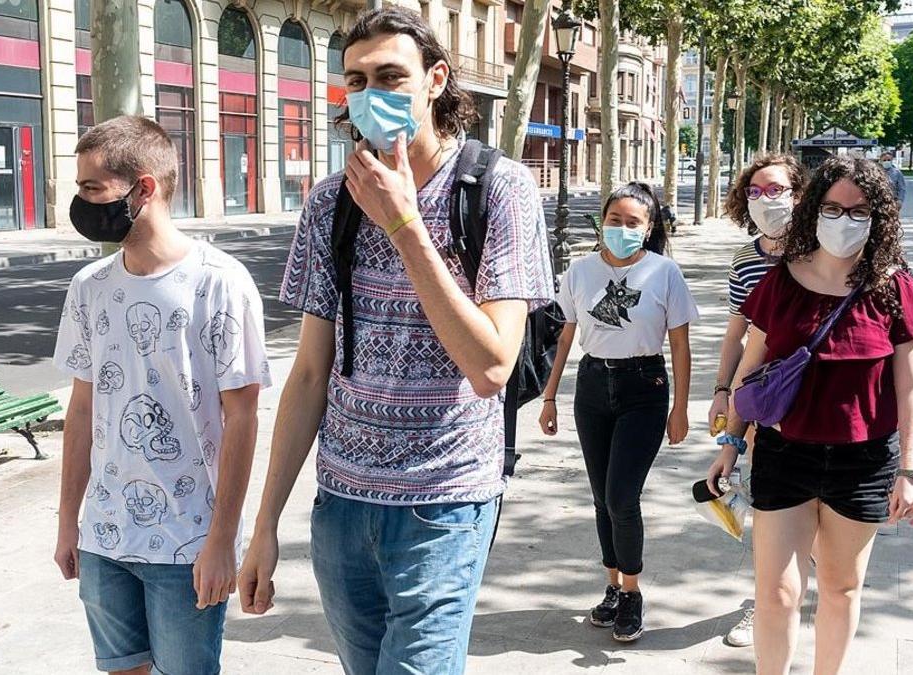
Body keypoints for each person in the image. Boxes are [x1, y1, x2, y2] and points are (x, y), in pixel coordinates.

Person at [235, 7, 552, 674]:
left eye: (389, 76)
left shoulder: (499, 190)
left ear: (435, 79)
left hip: (445, 502)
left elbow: (492, 366)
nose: (370, 95)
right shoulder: (330, 202)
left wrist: (406, 225)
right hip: (342, 506)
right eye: (355, 80)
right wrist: (264, 525)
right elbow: (310, 376)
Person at [52, 115, 272, 675]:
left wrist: (224, 536)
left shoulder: (219, 281)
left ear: (143, 188)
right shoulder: (89, 287)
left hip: (188, 540)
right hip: (106, 535)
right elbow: (82, 410)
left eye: (91, 188)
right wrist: (68, 522)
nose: (80, 202)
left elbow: (242, 416)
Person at [706, 156, 913, 675]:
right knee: (777, 591)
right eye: (832, 208)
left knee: (841, 587)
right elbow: (751, 370)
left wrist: (911, 471)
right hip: (784, 455)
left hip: (865, 462)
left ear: (880, 217)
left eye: (858, 211)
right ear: (813, 210)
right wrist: (731, 446)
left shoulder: (896, 289)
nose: (844, 220)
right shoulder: (780, 281)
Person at [539, 182, 698, 642]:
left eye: (633, 223)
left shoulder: (664, 272)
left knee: (621, 498)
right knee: (600, 497)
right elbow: (565, 336)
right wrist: (549, 397)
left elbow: (680, 345)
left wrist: (682, 408)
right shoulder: (580, 272)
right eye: (615, 220)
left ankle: (632, 593)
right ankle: (612, 586)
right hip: (592, 387)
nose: (622, 229)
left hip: (643, 389)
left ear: (649, 230)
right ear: (601, 223)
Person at [709, 153, 807, 648]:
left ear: (798, 194)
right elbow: (735, 335)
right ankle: (764, 599)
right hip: (763, 397)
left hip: (814, 399)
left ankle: (799, 585)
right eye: (755, 191)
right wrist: (722, 392)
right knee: (767, 503)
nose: (765, 199)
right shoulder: (746, 260)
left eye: (776, 190)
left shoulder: (819, 252)